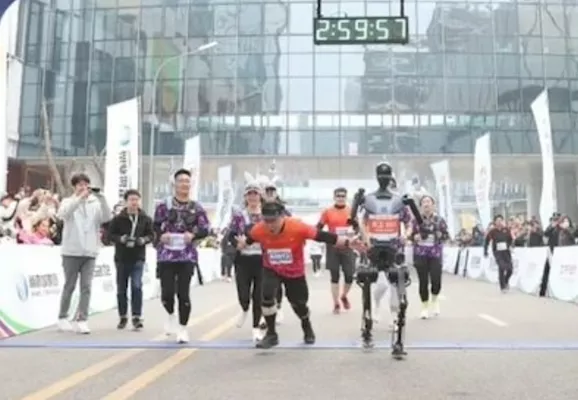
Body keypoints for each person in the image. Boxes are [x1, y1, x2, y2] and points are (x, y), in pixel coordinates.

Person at [236, 201, 363, 349]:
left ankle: (306, 324)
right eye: (267, 221)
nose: (270, 225)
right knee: (267, 297)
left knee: (299, 304)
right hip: (271, 268)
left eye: (274, 221)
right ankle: (271, 334)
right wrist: (242, 244)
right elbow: (249, 240)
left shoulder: (297, 226)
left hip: (294, 272)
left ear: (282, 216)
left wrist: (347, 242)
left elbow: (323, 236)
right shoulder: (259, 229)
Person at [353, 162, 413, 334]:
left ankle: (395, 317)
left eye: (387, 176)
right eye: (381, 175)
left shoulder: (399, 201)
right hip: (374, 248)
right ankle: (374, 307)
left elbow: (409, 222)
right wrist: (366, 239)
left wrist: (406, 235)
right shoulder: (370, 201)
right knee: (380, 285)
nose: (384, 179)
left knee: (395, 282)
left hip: (394, 247)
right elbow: (361, 221)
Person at [154, 168, 210, 343]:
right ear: (174, 184)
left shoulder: (196, 207)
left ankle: (183, 328)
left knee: (183, 293)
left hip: (187, 256)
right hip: (167, 256)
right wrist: (161, 237)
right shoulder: (164, 206)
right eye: (181, 181)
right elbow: (154, 227)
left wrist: (192, 235)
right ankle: (170, 313)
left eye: (187, 181)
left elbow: (205, 229)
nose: (184, 184)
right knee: (167, 293)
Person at [56, 173, 112, 334]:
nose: (83, 187)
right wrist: (79, 198)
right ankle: (62, 316)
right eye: (79, 184)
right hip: (71, 251)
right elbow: (63, 214)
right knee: (70, 285)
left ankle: (82, 319)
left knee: (86, 286)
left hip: (90, 251)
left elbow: (107, 218)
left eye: (85, 184)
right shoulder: (68, 201)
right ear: (74, 187)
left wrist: (101, 197)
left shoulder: (95, 203)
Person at [107, 189, 154, 330]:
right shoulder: (117, 219)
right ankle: (123, 316)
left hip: (138, 257)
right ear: (126, 202)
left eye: (136, 200)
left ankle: (136, 316)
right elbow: (109, 235)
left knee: (137, 286)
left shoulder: (145, 219)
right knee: (122, 288)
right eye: (131, 200)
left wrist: (143, 240)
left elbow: (152, 235)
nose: (134, 203)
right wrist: (120, 239)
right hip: (122, 257)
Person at [228, 181, 266, 342]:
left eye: (255, 194)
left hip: (262, 259)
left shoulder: (267, 215)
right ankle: (244, 308)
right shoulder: (239, 215)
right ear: (245, 197)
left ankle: (256, 327)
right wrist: (238, 243)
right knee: (243, 294)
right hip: (243, 259)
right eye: (249, 194)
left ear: (260, 196)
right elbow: (230, 234)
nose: (252, 197)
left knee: (258, 295)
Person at [317, 187, 356, 313]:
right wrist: (321, 238)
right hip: (333, 246)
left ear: (346, 197)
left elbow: (358, 228)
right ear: (334, 197)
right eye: (338, 196)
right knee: (335, 276)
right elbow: (319, 228)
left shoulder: (351, 211)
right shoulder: (327, 211)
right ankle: (336, 303)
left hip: (348, 245)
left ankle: (344, 295)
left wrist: (354, 236)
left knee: (349, 275)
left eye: (343, 196)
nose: (340, 198)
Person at [411, 195, 448, 319]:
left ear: (433, 205)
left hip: (435, 253)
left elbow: (446, 235)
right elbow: (409, 235)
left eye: (428, 202)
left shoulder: (439, 220)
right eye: (424, 202)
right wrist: (414, 237)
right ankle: (424, 307)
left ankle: (435, 299)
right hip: (420, 253)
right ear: (421, 206)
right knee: (423, 281)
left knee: (436, 280)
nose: (426, 204)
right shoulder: (415, 220)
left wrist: (440, 235)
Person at [260, 180, 290, 323]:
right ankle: (264, 313)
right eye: (268, 191)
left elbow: (290, 222)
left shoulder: (282, 208)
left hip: (279, 250)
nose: (270, 194)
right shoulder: (258, 207)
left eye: (272, 191)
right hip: (261, 250)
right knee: (263, 284)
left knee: (277, 283)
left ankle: (278, 307)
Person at [483, 214, 513, 293]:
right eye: (497, 221)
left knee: (510, 269)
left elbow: (510, 239)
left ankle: (506, 281)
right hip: (497, 252)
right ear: (495, 222)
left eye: (500, 220)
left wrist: (509, 245)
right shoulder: (492, 231)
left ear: (502, 221)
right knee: (502, 267)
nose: (499, 222)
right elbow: (486, 241)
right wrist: (485, 251)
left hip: (506, 251)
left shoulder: (506, 229)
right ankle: (502, 287)